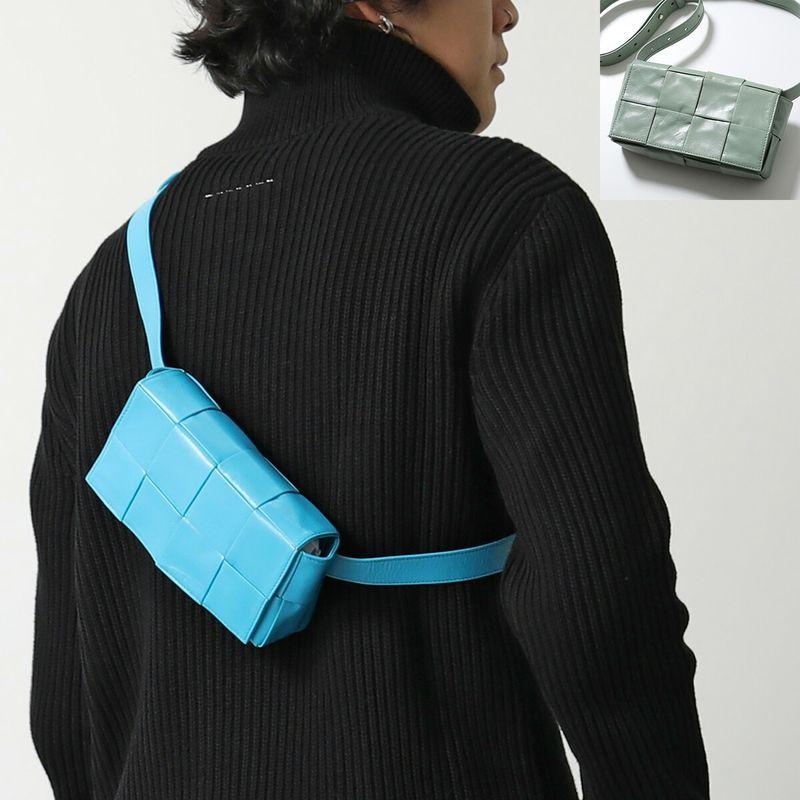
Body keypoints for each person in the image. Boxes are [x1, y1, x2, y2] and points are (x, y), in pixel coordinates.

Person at [29, 1, 710, 798]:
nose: (508, 13)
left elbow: (69, 694)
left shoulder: (112, 281)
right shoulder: (504, 213)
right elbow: (600, 606)